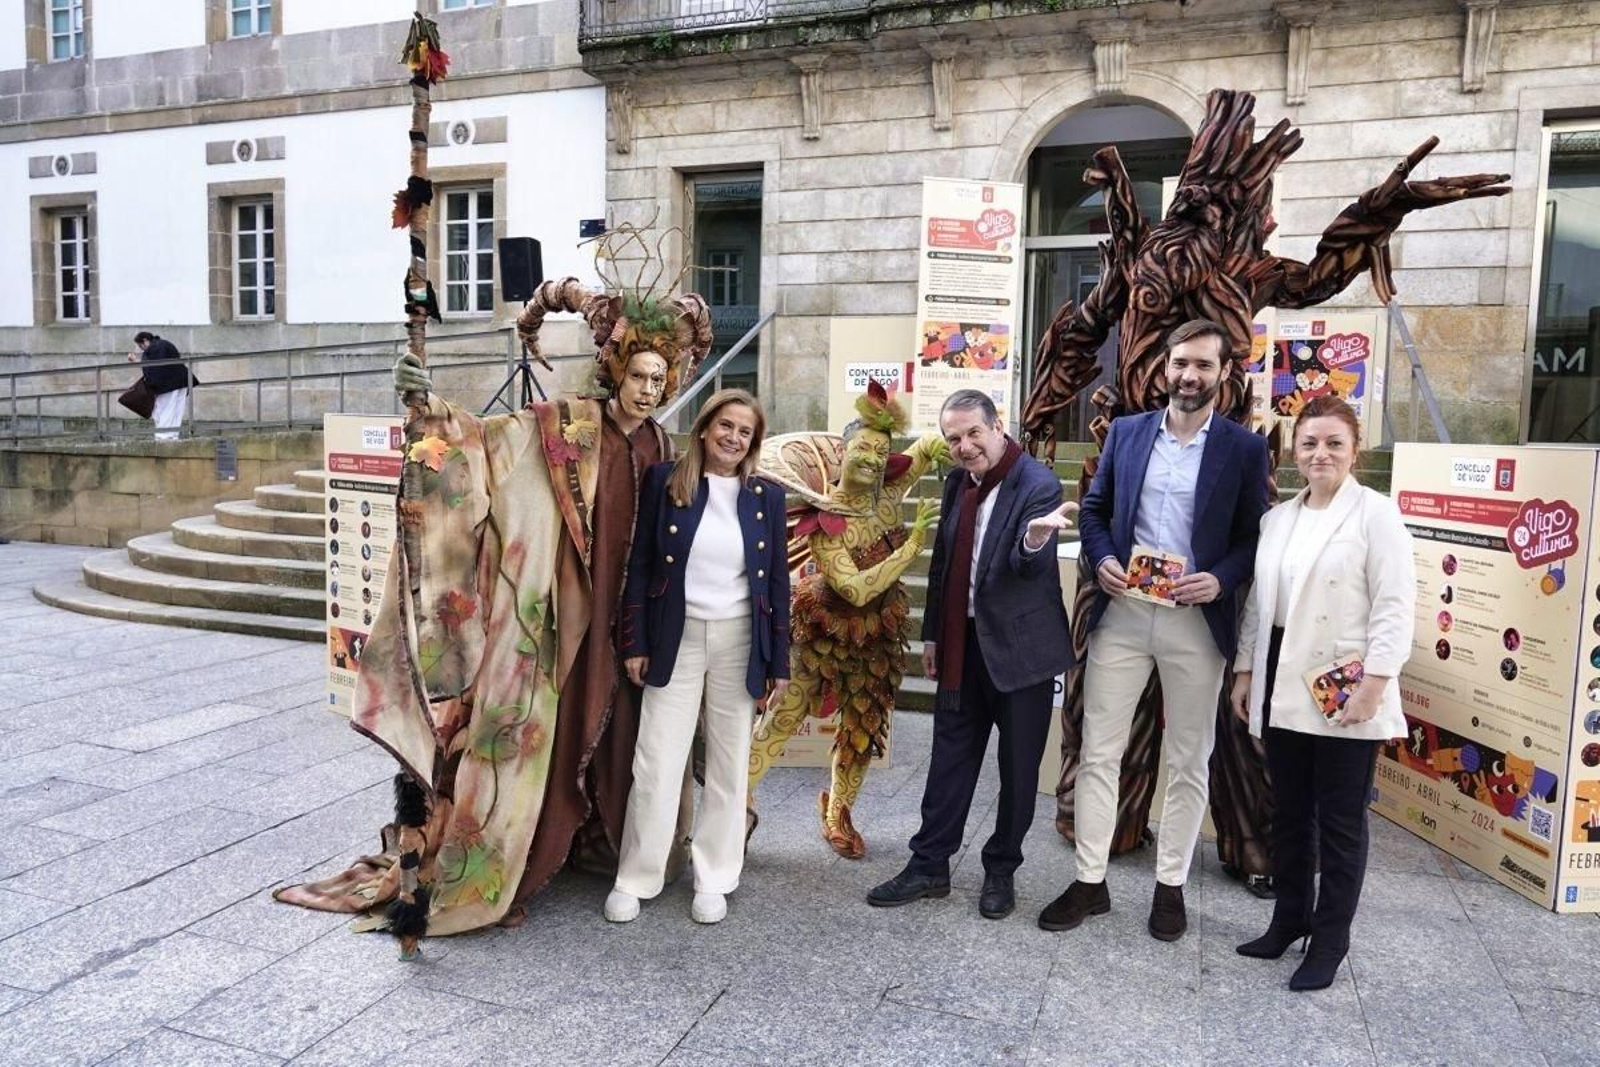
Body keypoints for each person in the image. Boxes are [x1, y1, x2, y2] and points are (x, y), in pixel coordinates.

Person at [276, 277, 712, 936]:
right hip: (566, 613)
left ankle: (603, 843)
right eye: (641, 374)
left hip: (630, 618)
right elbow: (485, 445)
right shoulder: (568, 424)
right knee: (547, 728)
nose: (650, 388)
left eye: (662, 377)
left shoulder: (662, 445)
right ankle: (526, 850)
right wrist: (432, 411)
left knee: (625, 728)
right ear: (616, 370)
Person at [1040, 318, 1270, 941]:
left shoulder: (1244, 450)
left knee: (1189, 759)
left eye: (1202, 365)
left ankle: (1171, 887)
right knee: (1098, 752)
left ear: (1224, 374)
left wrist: (1219, 579)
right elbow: (1093, 510)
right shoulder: (1127, 433)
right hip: (1125, 614)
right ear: (1163, 369)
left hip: (1196, 623)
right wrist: (1105, 558)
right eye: (1179, 364)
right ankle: (1090, 882)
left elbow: (1255, 535)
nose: (1188, 375)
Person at [867, 390, 1075, 920]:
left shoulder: (1037, 483)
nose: (964, 446)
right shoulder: (958, 481)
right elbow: (944, 567)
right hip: (963, 645)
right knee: (949, 759)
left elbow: (1025, 565)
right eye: (954, 438)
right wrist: (934, 635)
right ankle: (929, 864)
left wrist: (1033, 539)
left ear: (996, 426)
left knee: (1017, 769)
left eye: (973, 434)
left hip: (1020, 654)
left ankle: (1001, 871)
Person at [1229, 395, 1414, 990]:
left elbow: (1395, 606)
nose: (1320, 453)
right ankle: (1289, 918)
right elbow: (1260, 604)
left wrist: (1377, 684)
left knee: (1340, 821)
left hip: (1345, 685)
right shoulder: (1277, 519)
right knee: (1287, 813)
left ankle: (1330, 940)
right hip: (1282, 676)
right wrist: (1243, 671)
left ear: (1354, 449)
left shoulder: (1376, 515)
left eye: (1334, 442)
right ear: (1292, 453)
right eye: (1309, 443)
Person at [607, 389, 790, 925]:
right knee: (657, 759)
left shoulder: (766, 497)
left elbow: (776, 583)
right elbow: (639, 565)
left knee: (731, 764)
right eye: (726, 426)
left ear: (753, 442)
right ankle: (637, 875)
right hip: (674, 636)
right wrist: (634, 642)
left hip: (740, 640)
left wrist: (780, 660)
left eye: (745, 432)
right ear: (706, 428)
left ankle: (715, 876)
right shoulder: (666, 481)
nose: (734, 438)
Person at [747, 379, 947, 857]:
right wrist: (913, 547)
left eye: (882, 452)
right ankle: (734, 804)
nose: (874, 460)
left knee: (861, 728)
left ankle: (838, 810)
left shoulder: (890, 493)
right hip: (821, 630)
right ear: (843, 451)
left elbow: (927, 446)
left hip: (877, 637)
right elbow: (855, 587)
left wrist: (957, 445)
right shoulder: (823, 518)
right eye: (863, 449)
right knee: (784, 715)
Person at [127, 331, 197, 440]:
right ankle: (172, 436)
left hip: (169, 385)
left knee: (164, 410)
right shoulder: (164, 343)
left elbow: (150, 368)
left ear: (145, 341)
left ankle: (163, 437)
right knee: (176, 411)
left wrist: (136, 360)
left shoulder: (153, 348)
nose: (142, 349)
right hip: (182, 381)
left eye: (141, 346)